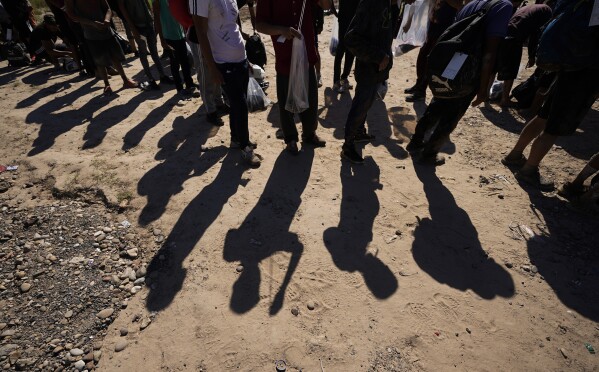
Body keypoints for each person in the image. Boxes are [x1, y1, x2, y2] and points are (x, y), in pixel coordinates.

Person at [406, 0, 514, 165]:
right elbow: (489, 54)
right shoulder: (503, 6)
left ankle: (415, 142)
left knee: (439, 101)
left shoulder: (476, 2)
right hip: (469, 69)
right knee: (452, 114)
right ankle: (429, 154)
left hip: (451, 61)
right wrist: (484, 88)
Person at [190, 0, 262, 167]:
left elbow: (233, 26)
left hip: (240, 59)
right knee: (240, 105)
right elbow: (200, 31)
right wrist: (212, 68)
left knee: (236, 104)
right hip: (223, 62)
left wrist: (246, 59)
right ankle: (245, 147)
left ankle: (236, 139)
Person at [501, 71, 599, 190]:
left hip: (567, 73)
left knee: (542, 117)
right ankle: (528, 171)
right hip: (584, 82)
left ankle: (514, 155)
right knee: (553, 129)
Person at [256, 0, 331, 155]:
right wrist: (281, 30)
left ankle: (309, 134)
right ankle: (291, 138)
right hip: (285, 56)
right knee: (285, 101)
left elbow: (326, 6)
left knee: (310, 95)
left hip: (306, 53)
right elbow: (260, 25)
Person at [339, 0, 395, 164]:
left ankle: (358, 132)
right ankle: (347, 147)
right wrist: (378, 56)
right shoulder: (372, 3)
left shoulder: (387, 4)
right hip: (368, 68)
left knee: (367, 103)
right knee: (360, 105)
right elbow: (351, 38)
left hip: (376, 69)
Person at [67, 0, 138, 95]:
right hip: (90, 33)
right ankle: (106, 84)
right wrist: (92, 23)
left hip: (106, 30)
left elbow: (108, 9)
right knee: (99, 60)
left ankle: (125, 80)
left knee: (115, 56)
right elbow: (72, 15)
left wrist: (107, 19)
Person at [404, 0, 463, 102]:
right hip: (432, 24)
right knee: (422, 55)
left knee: (430, 58)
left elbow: (459, 5)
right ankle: (418, 84)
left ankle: (421, 90)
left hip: (444, 26)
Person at [496, 3, 552, 107]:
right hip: (515, 38)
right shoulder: (547, 12)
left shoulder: (532, 7)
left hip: (504, 33)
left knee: (496, 66)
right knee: (511, 69)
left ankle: (486, 94)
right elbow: (535, 34)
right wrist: (532, 56)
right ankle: (504, 99)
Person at [118, 0, 172, 90]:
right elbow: (123, 11)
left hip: (149, 23)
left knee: (154, 52)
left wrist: (151, 15)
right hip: (138, 26)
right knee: (143, 53)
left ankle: (163, 76)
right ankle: (151, 79)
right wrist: (133, 28)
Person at [153, 0, 195, 94]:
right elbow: (157, 19)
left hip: (180, 35)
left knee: (185, 61)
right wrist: (162, 40)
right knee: (175, 64)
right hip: (169, 36)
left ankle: (189, 84)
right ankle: (179, 88)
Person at [330, 0, 358, 93]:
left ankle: (343, 79)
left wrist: (335, 12)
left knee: (349, 52)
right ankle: (337, 81)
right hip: (345, 20)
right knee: (341, 50)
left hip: (353, 21)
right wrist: (336, 13)